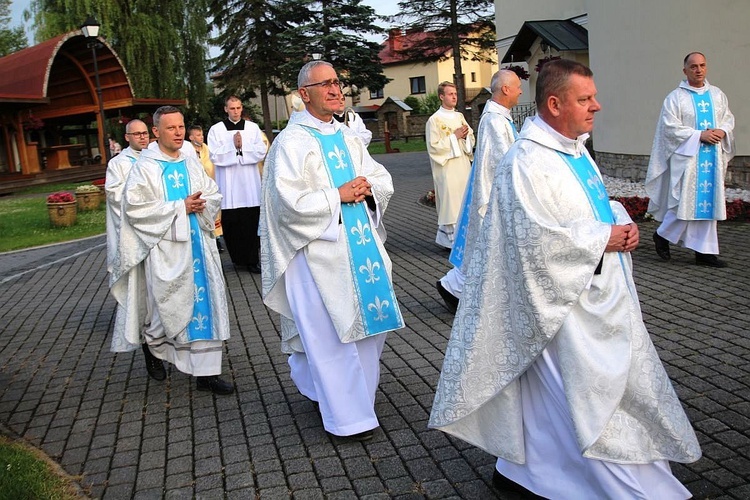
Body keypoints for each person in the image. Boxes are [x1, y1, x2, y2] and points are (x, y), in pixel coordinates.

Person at [429, 60, 701, 498]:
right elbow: (531, 239)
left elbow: (583, 210)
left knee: (558, 401)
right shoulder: (528, 159)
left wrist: (615, 220)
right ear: (554, 104)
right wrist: (602, 237)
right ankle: (617, 485)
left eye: (593, 96)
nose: (597, 106)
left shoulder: (573, 149)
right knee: (589, 403)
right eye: (585, 99)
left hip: (588, 297)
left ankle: (530, 472)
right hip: (557, 307)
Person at [260, 60, 404, 441]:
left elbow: (380, 177)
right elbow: (285, 202)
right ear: (303, 94)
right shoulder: (290, 143)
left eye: (337, 82)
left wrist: (367, 189)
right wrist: (336, 195)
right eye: (324, 84)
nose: (335, 90)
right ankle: (346, 419)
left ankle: (356, 401)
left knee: (370, 330)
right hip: (318, 256)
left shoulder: (348, 136)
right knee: (331, 337)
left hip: (362, 250)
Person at [110, 106, 234, 395]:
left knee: (205, 308)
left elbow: (211, 190)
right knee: (165, 309)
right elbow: (136, 210)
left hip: (200, 248)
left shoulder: (190, 161)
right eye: (171, 128)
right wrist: (181, 207)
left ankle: (207, 374)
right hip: (166, 252)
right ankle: (153, 348)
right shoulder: (147, 167)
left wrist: (206, 203)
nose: (179, 133)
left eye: (181, 127)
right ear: (156, 132)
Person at [436, 70, 522, 313]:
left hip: (492, 191)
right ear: (505, 89)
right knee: (484, 245)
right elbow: (502, 162)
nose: (520, 91)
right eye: (516, 86)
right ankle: (456, 288)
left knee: (481, 245)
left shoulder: (499, 118)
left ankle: (456, 287)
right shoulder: (495, 121)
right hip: (495, 195)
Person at [646, 52, 735, 268]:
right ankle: (663, 235)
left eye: (702, 65)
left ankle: (704, 251)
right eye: (693, 66)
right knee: (685, 201)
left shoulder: (717, 95)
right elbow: (669, 127)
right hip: (688, 158)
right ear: (685, 70)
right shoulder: (675, 97)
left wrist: (722, 131)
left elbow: (728, 119)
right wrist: (699, 135)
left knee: (707, 203)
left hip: (712, 158)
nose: (698, 70)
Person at [105, 119, 154, 373]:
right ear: (127, 137)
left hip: (158, 235)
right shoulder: (119, 164)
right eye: (137, 134)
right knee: (140, 296)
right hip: (133, 238)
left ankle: (166, 345)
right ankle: (148, 350)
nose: (142, 138)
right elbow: (115, 195)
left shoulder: (156, 158)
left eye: (145, 133)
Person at [207, 96, 269, 274]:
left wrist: (242, 149)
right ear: (225, 109)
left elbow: (260, 151)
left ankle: (252, 259)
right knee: (233, 224)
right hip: (229, 185)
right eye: (232, 108)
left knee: (251, 222)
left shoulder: (252, 128)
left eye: (238, 108)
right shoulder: (216, 130)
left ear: (242, 108)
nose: (236, 111)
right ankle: (238, 259)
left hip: (249, 185)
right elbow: (214, 155)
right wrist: (234, 148)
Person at [425, 81, 475, 248]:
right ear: (441, 96)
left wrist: (466, 137)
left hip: (462, 166)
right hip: (446, 169)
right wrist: (454, 137)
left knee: (463, 203)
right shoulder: (434, 120)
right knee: (451, 205)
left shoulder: (460, 116)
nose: (454, 96)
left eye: (455, 93)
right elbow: (433, 147)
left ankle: (461, 241)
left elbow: (470, 139)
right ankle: (453, 244)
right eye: (450, 94)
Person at [189, 124, 224, 253]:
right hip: (198, 188)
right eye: (198, 135)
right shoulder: (188, 150)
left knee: (215, 214)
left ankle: (217, 238)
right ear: (191, 137)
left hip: (210, 185)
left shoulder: (207, 149)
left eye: (202, 134)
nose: (201, 137)